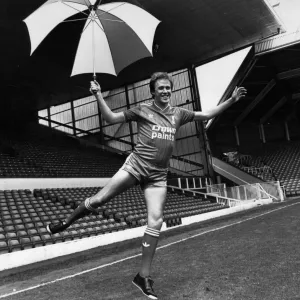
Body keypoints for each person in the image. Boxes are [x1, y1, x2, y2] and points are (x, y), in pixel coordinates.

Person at [46, 72, 247, 299]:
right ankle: (66, 222)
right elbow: (111, 118)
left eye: (168, 88)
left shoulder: (178, 114)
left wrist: (231, 100)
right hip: (135, 166)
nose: (165, 91)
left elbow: (205, 113)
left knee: (156, 221)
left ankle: (143, 276)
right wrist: (98, 95)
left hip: (158, 175)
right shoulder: (142, 110)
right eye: (160, 88)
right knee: (99, 200)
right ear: (153, 91)